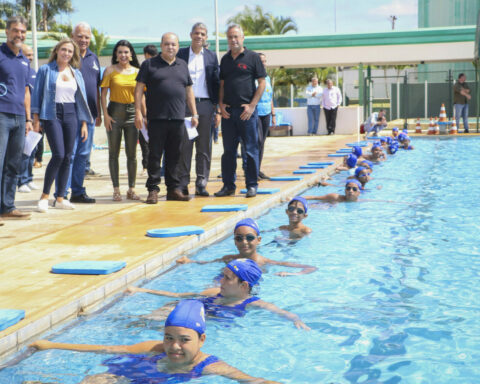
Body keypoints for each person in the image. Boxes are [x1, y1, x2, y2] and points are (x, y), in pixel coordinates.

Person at [30, 300, 280, 383]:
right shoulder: (154, 348)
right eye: (169, 338)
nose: (174, 346)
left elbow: (250, 380)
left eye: (184, 340)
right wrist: (52, 345)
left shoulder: (208, 365)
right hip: (126, 375)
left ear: (202, 339)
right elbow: (103, 349)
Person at [127, 258, 309, 330]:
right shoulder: (214, 293)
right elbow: (177, 295)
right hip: (184, 314)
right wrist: (141, 290)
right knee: (141, 322)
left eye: (227, 278)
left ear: (244, 285)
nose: (221, 281)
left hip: (196, 328)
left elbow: (280, 311)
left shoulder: (252, 303)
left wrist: (296, 319)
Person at [135, 32, 198, 203]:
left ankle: (173, 190)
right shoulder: (149, 64)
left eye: (174, 44)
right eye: (167, 44)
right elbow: (139, 88)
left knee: (174, 156)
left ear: (178, 47)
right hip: (156, 119)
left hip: (178, 119)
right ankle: (153, 190)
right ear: (161, 45)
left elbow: (189, 90)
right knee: (154, 156)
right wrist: (139, 113)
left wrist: (194, 113)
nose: (170, 47)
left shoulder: (182, 65)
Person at [32, 38, 92, 213]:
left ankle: (60, 198)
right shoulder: (45, 70)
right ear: (57, 50)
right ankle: (44, 197)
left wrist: (83, 123)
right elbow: (37, 95)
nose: (67, 53)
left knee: (68, 156)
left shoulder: (76, 73)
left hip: (71, 114)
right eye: (64, 49)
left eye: (70, 51)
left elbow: (81, 101)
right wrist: (36, 120)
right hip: (52, 113)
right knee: (58, 154)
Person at [215, 24, 266, 198]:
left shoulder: (253, 57)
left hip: (247, 113)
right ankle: (228, 186)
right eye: (230, 37)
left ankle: (252, 184)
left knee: (251, 150)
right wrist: (221, 105)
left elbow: (262, 83)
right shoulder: (225, 59)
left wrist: (252, 106)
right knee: (228, 151)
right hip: (229, 113)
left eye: (236, 37)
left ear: (243, 38)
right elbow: (222, 84)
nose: (233, 40)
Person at [177, 218, 317, 276]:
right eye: (239, 238)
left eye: (249, 238)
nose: (244, 242)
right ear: (234, 241)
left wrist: (292, 274)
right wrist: (190, 262)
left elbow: (311, 268)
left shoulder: (264, 262)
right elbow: (208, 263)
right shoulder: (229, 259)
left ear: (258, 240)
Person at [177, 23, 220, 197]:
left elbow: (216, 83)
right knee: (185, 146)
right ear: (190, 34)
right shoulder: (180, 54)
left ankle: (201, 183)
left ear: (206, 37)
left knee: (204, 147)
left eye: (202, 34)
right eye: (196, 33)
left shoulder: (211, 56)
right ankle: (183, 183)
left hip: (206, 105)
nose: (199, 36)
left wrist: (216, 108)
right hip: (185, 106)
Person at [61, 22, 102, 204]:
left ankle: (78, 191)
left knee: (83, 155)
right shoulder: (68, 57)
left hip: (90, 116)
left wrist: (98, 112)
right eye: (80, 36)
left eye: (86, 37)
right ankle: (63, 192)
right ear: (72, 36)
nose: (83, 40)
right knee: (69, 154)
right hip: (71, 115)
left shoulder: (94, 58)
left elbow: (97, 88)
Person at [0, 16, 33, 222]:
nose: (19, 35)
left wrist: (28, 119)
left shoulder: (24, 60)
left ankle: (7, 206)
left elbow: (26, 91)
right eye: (15, 30)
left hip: (20, 118)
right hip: (1, 115)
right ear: (7, 32)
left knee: (13, 164)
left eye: (22, 31)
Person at [101, 40, 141, 202]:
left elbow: (141, 96)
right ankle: (116, 189)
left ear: (131, 55)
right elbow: (103, 94)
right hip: (114, 114)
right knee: (113, 153)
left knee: (132, 154)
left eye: (126, 52)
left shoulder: (138, 72)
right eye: (120, 52)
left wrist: (140, 114)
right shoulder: (110, 70)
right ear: (116, 55)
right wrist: (106, 116)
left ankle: (131, 189)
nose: (123, 55)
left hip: (132, 114)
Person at [17, 44, 40, 193]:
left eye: (31, 55)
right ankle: (21, 180)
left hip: (34, 116)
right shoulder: (20, 71)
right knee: (24, 151)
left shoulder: (33, 72)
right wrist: (27, 119)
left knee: (33, 149)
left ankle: (29, 177)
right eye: (27, 55)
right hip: (24, 117)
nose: (30, 58)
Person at [138, 44, 158, 176]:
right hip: (157, 108)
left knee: (145, 139)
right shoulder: (162, 64)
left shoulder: (146, 65)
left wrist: (143, 114)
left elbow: (141, 93)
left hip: (149, 109)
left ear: (146, 54)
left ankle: (147, 166)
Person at [256, 53, 276, 179]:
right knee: (256, 141)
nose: (263, 63)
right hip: (255, 112)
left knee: (262, 142)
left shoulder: (267, 78)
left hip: (266, 112)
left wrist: (273, 114)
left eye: (265, 61)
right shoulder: (252, 77)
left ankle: (258, 169)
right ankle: (252, 170)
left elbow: (270, 98)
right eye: (260, 61)